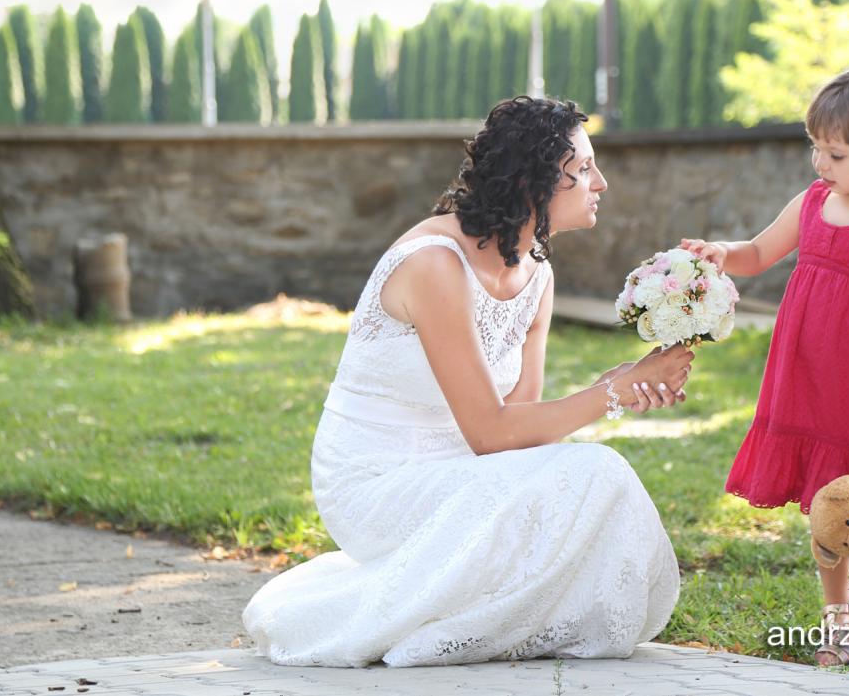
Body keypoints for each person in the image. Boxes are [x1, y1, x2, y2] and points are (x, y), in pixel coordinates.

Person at [243, 95, 694, 667]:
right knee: (600, 468)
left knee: (587, 480)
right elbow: (490, 433)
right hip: (375, 483)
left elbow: (519, 431)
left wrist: (618, 382)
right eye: (582, 170)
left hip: (461, 475)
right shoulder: (434, 263)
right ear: (532, 182)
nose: (600, 183)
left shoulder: (536, 274)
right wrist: (610, 396)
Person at [680, 63, 849, 666]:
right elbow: (756, 253)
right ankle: (840, 618)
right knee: (831, 504)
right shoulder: (812, 203)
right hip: (808, 383)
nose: (819, 164)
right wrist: (723, 253)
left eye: (834, 153)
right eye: (816, 149)